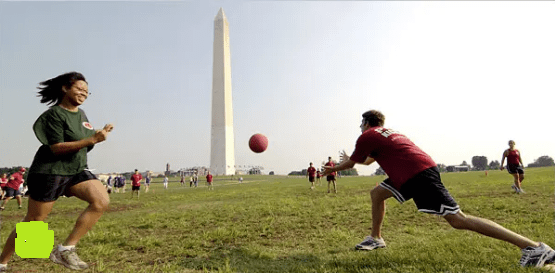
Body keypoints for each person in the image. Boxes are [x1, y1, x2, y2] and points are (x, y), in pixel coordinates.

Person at [321, 110, 555, 269]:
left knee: (458, 219)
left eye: (361, 123)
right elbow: (369, 161)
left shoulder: (368, 135)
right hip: (412, 170)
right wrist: (349, 160)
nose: (360, 127)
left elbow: (354, 163)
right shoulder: (388, 133)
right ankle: (376, 238)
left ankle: (534, 248)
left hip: (416, 174)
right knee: (377, 193)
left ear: (366, 122)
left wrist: (329, 170)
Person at [0, 72, 114, 272]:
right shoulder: (54, 115)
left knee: (101, 201)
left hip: (76, 169)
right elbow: (57, 147)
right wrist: (92, 140)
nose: (83, 94)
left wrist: (97, 136)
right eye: (79, 89)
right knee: (34, 223)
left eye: (87, 92)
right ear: (65, 88)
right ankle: (2, 262)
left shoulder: (82, 115)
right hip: (50, 171)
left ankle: (66, 249)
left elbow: (84, 143)